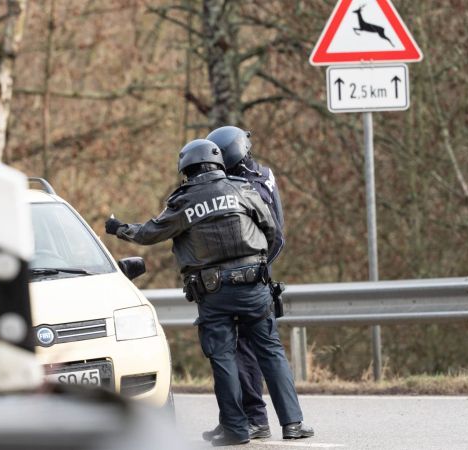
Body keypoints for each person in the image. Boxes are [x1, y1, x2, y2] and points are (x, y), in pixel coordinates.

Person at [105, 139, 313, 446]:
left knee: (224, 357)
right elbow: (272, 230)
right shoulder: (244, 189)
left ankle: (236, 430)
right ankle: (293, 424)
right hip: (255, 286)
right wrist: (258, 264)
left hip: (214, 293)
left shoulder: (184, 200)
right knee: (271, 352)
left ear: (187, 168)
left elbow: (149, 233)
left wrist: (118, 227)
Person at [200, 126, 285, 442]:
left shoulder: (247, 186)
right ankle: (233, 418)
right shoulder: (259, 174)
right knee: (231, 352)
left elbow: (271, 235)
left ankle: (254, 420)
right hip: (249, 278)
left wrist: (252, 271)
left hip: (246, 281)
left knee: (242, 351)